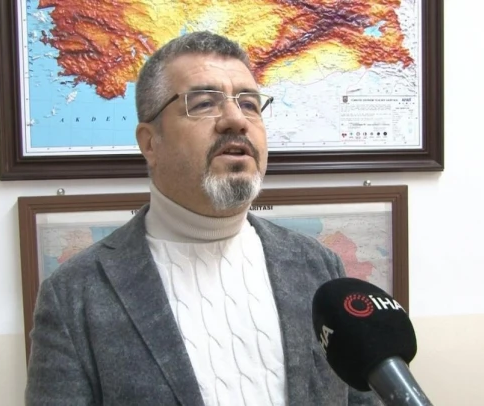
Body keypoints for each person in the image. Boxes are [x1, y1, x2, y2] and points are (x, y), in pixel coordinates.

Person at [25, 31, 381, 406]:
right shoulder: (74, 295)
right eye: (204, 103)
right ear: (150, 142)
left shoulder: (317, 266)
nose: (236, 120)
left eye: (249, 104)